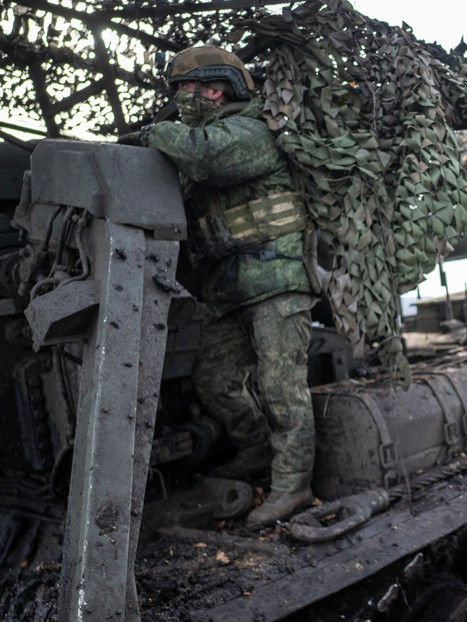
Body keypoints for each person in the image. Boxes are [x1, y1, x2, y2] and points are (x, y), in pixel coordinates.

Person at [143, 45, 317, 525]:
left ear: (225, 91)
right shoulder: (195, 139)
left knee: (282, 388)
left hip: (277, 279)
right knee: (215, 380)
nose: (189, 98)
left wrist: (153, 133)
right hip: (228, 289)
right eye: (181, 90)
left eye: (199, 88)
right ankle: (257, 451)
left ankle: (292, 486)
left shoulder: (252, 130)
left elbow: (206, 157)